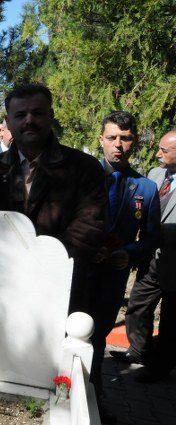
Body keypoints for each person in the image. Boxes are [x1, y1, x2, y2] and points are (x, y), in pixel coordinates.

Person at [0, 84, 107, 314]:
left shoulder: (84, 168)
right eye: (20, 115)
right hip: (1, 291)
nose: (29, 120)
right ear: (8, 122)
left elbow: (89, 227)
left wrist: (42, 263)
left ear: (51, 116)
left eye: (37, 113)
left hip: (61, 290)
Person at [87, 111, 160, 405]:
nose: (118, 144)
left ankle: (94, 398)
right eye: (112, 137)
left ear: (135, 142)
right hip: (78, 271)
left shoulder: (146, 188)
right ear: (101, 140)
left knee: (98, 335)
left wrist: (127, 253)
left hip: (113, 276)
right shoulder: (84, 178)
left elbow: (152, 237)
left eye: (126, 138)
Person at [121, 130, 176, 382]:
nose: (157, 154)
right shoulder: (155, 174)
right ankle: (138, 351)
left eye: (164, 150)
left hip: (174, 261)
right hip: (151, 256)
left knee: (170, 320)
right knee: (137, 306)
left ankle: (160, 368)